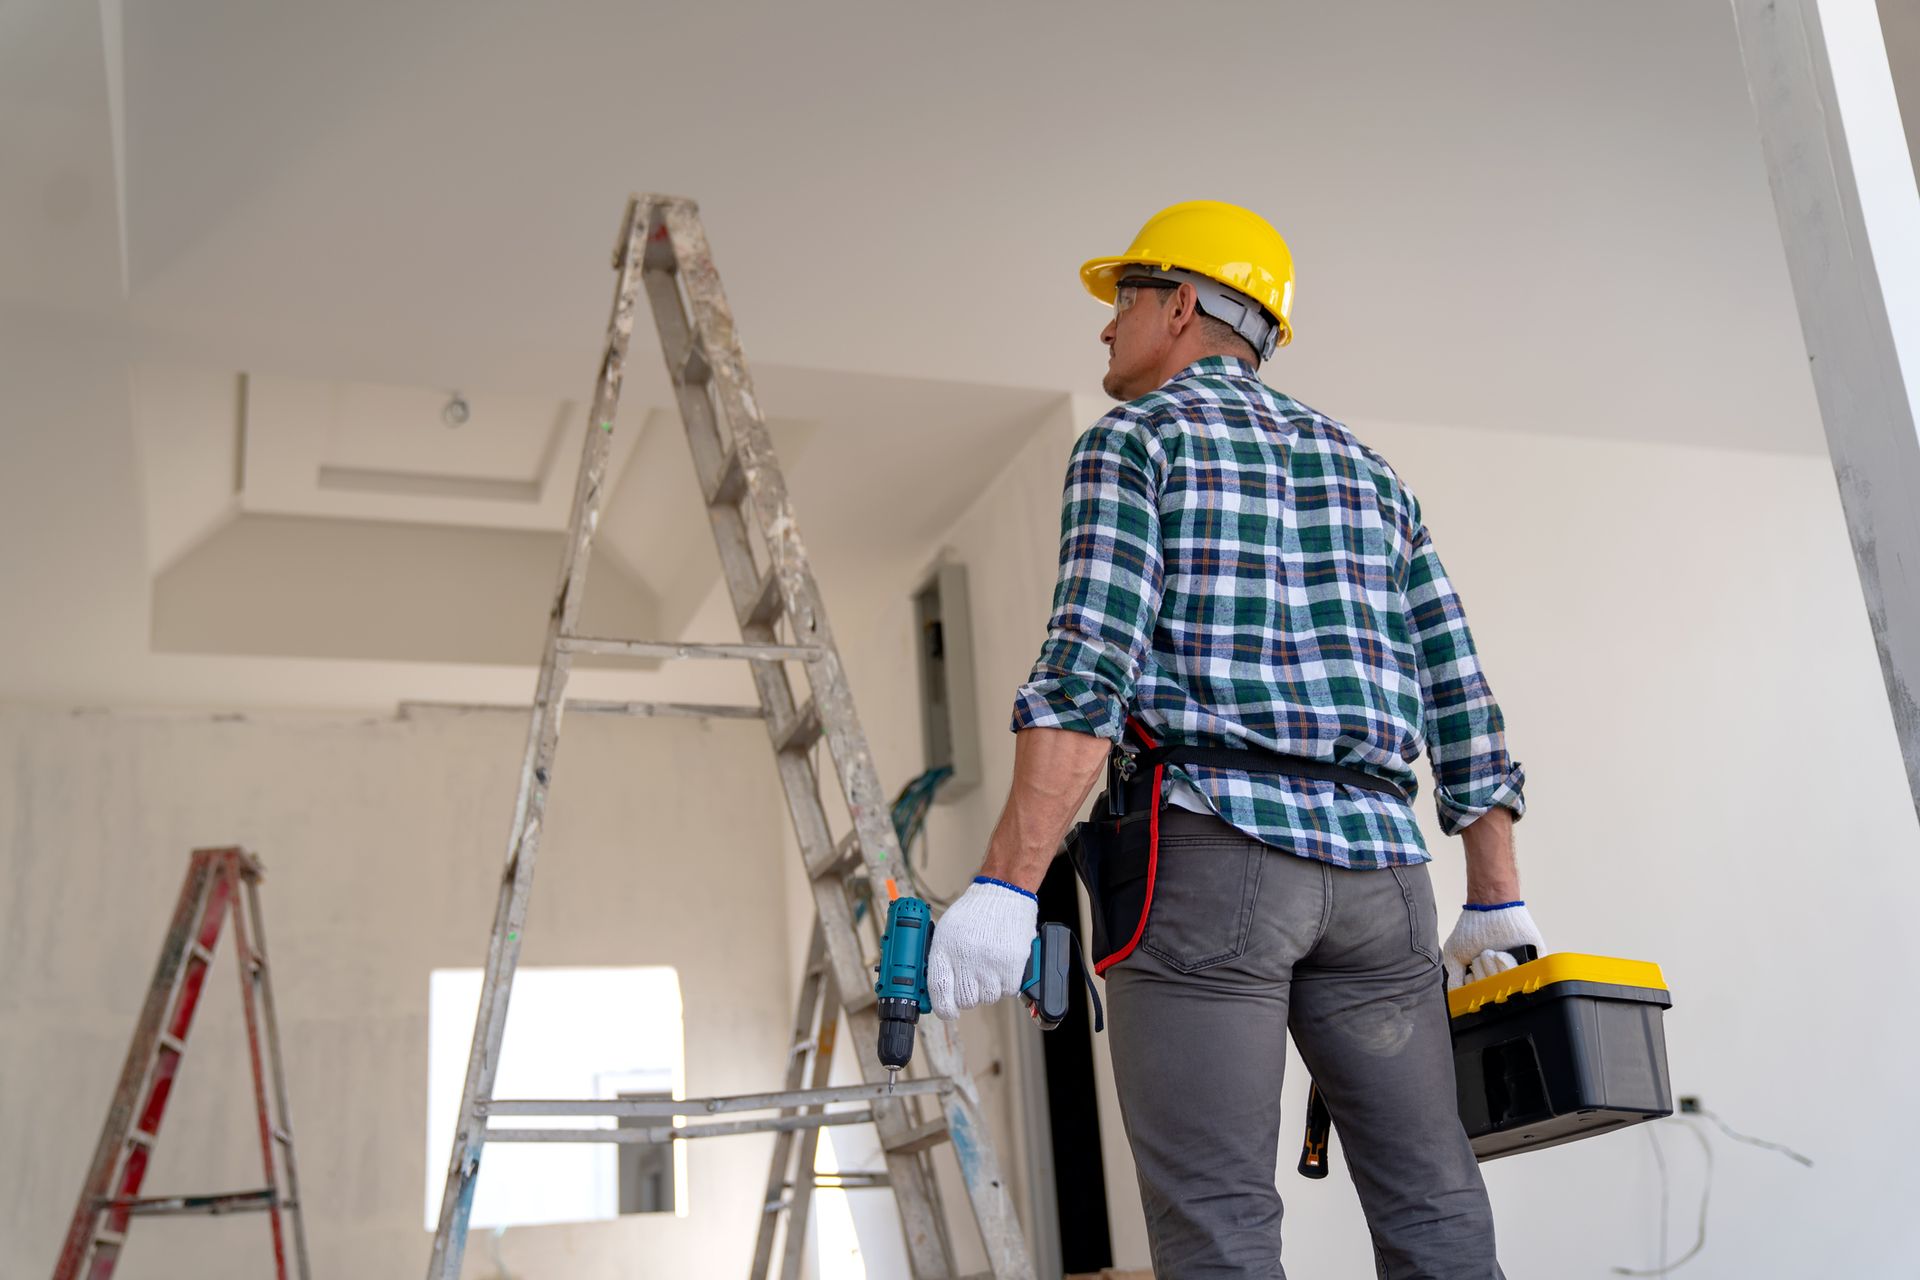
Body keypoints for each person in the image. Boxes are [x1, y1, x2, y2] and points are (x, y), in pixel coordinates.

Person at [924, 200, 1537, 1279]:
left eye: (1121, 305)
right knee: (1437, 1201)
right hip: (1381, 880)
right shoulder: (1372, 473)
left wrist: (1008, 884)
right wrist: (1495, 895)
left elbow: (1086, 673)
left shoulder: (1135, 440)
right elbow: (1460, 689)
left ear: (1182, 306)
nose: (1105, 331)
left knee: (1217, 1224)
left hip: (1212, 862)